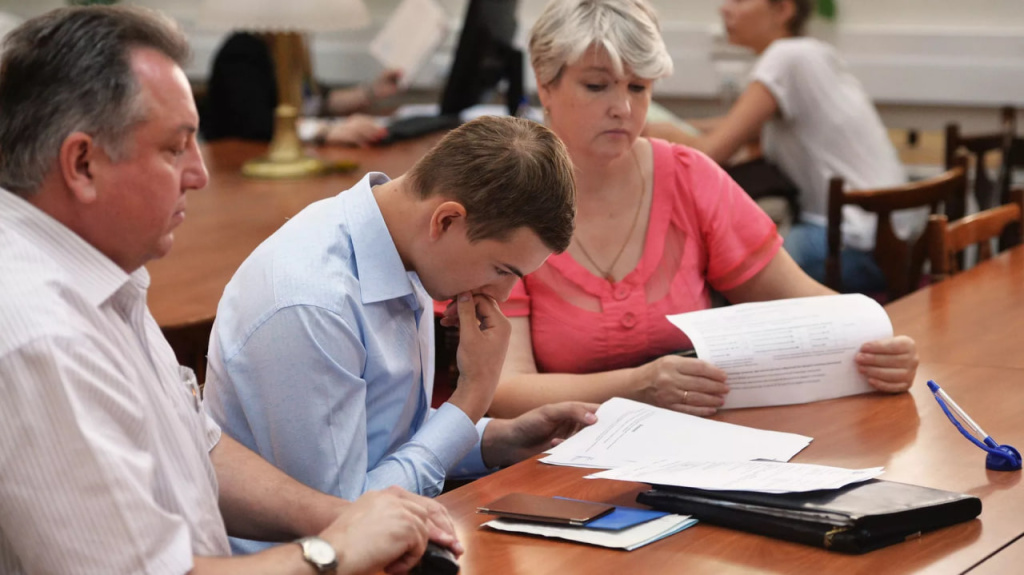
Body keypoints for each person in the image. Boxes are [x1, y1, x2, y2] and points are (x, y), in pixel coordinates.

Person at [0, 6, 458, 574]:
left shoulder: (99, 274)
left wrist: (344, 517)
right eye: (175, 148)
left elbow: (193, 446)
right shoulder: (42, 336)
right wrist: (333, 552)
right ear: (83, 163)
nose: (199, 173)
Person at [482, 0, 919, 420]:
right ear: (545, 85)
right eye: (597, 86)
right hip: (554, 456)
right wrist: (635, 385)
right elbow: (501, 392)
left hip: (692, 443)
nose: (624, 108)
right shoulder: (508, 200)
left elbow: (803, 300)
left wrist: (878, 341)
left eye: (639, 87)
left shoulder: (688, 176)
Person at [202, 115, 599, 553]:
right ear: (446, 221)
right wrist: (470, 398)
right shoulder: (314, 304)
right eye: (501, 269)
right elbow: (346, 518)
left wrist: (498, 438)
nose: (502, 294)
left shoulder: (404, 247)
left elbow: (378, 431)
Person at [643, 0, 920, 292]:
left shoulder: (785, 57)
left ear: (783, 10)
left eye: (739, 0)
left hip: (856, 244)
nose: (724, 9)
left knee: (732, 267)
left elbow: (710, 151)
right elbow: (733, 127)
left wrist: (654, 129)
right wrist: (673, 124)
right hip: (894, 237)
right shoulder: (810, 53)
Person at [202, 31, 401, 146]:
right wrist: (324, 131)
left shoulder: (289, 51)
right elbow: (256, 124)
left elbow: (316, 99)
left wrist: (372, 92)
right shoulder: (241, 50)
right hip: (239, 164)